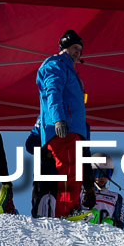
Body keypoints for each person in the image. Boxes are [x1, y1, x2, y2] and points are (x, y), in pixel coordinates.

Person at [36, 30, 96, 218]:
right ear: (64, 47)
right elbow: (53, 91)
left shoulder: (69, 69)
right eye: (74, 48)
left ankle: (70, 209)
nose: (78, 52)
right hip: (64, 128)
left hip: (74, 129)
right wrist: (58, 119)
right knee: (69, 168)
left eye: (80, 49)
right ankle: (63, 212)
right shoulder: (56, 64)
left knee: (75, 170)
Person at [83, 153, 124, 229]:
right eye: (98, 173)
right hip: (84, 231)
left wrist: (112, 223)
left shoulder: (116, 197)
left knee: (108, 221)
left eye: (106, 174)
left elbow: (119, 223)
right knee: (93, 213)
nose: (102, 177)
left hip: (105, 235)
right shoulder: (82, 193)